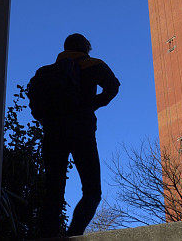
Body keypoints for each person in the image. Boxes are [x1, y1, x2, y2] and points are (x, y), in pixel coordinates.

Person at [39, 33, 120, 237]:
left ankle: (49, 235)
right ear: (85, 48)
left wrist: (47, 119)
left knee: (53, 187)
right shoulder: (93, 65)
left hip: (53, 133)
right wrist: (91, 105)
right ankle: (72, 234)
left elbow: (37, 102)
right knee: (92, 190)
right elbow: (113, 86)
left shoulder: (47, 72)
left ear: (65, 48)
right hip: (82, 131)